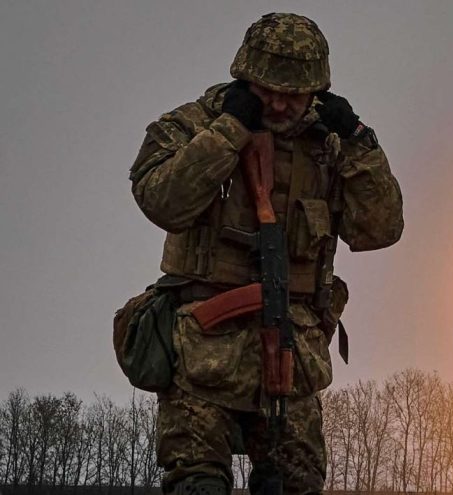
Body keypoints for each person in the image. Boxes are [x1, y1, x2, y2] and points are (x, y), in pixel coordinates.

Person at [128, 12, 403, 494]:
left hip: (293, 358)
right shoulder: (194, 126)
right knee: (197, 485)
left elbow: (379, 229)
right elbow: (163, 201)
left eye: (293, 94)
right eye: (267, 90)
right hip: (202, 356)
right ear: (245, 77)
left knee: (297, 483)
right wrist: (229, 131)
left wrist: (361, 144)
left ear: (316, 91)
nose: (278, 103)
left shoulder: (331, 145)